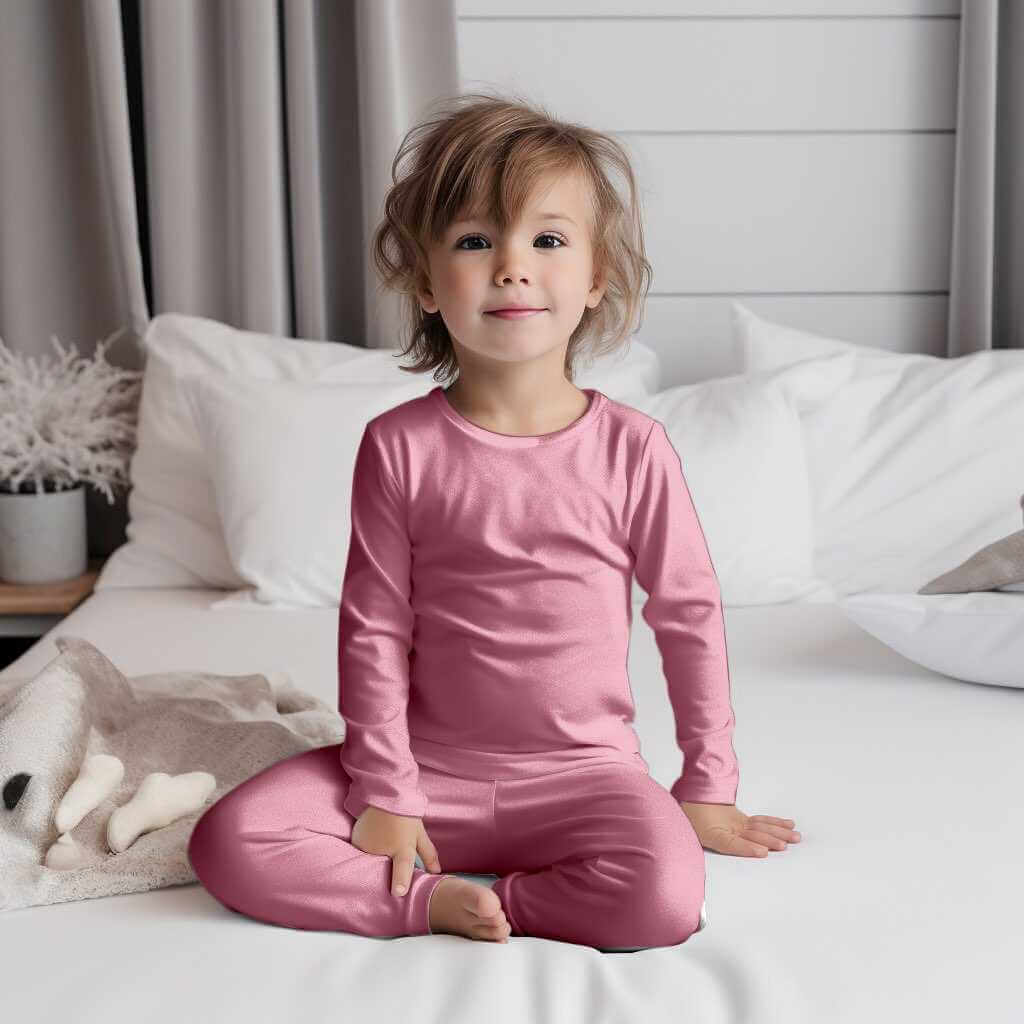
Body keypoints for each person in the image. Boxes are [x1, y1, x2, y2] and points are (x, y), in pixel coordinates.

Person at [187, 92, 801, 950]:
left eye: (547, 240)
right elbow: (372, 627)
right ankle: (423, 901)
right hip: (425, 772)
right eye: (476, 241)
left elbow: (688, 616)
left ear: (595, 279)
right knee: (230, 840)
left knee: (664, 900)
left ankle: (515, 902)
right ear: (429, 282)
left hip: (585, 778)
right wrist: (386, 792)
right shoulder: (398, 445)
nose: (512, 266)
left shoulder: (635, 449)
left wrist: (708, 782)